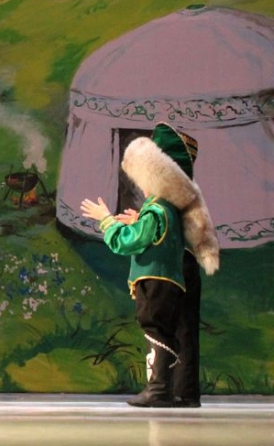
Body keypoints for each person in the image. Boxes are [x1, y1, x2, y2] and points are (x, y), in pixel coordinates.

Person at [81, 123, 219, 408]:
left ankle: (161, 390)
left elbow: (130, 240)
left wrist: (107, 220)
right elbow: (167, 229)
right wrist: (143, 222)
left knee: (160, 328)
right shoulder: (170, 204)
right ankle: (175, 391)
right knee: (172, 329)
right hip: (173, 269)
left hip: (161, 274)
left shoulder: (161, 206)